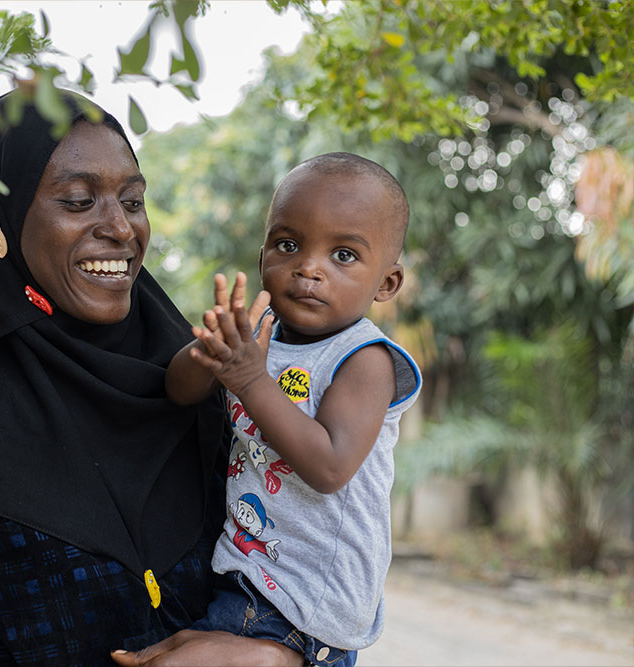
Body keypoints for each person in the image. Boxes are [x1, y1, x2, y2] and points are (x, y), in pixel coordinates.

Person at [0, 87, 300, 666]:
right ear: (0, 227)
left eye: (132, 200)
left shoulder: (201, 391)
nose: (122, 230)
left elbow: (314, 580)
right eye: (78, 201)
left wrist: (279, 658)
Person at [160, 153, 422, 666]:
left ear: (386, 283)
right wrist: (213, 350)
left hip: (307, 606)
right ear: (262, 261)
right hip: (247, 573)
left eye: (343, 255)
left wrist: (250, 378)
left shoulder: (365, 359)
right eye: (288, 245)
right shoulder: (258, 337)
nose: (308, 267)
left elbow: (329, 467)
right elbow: (177, 391)